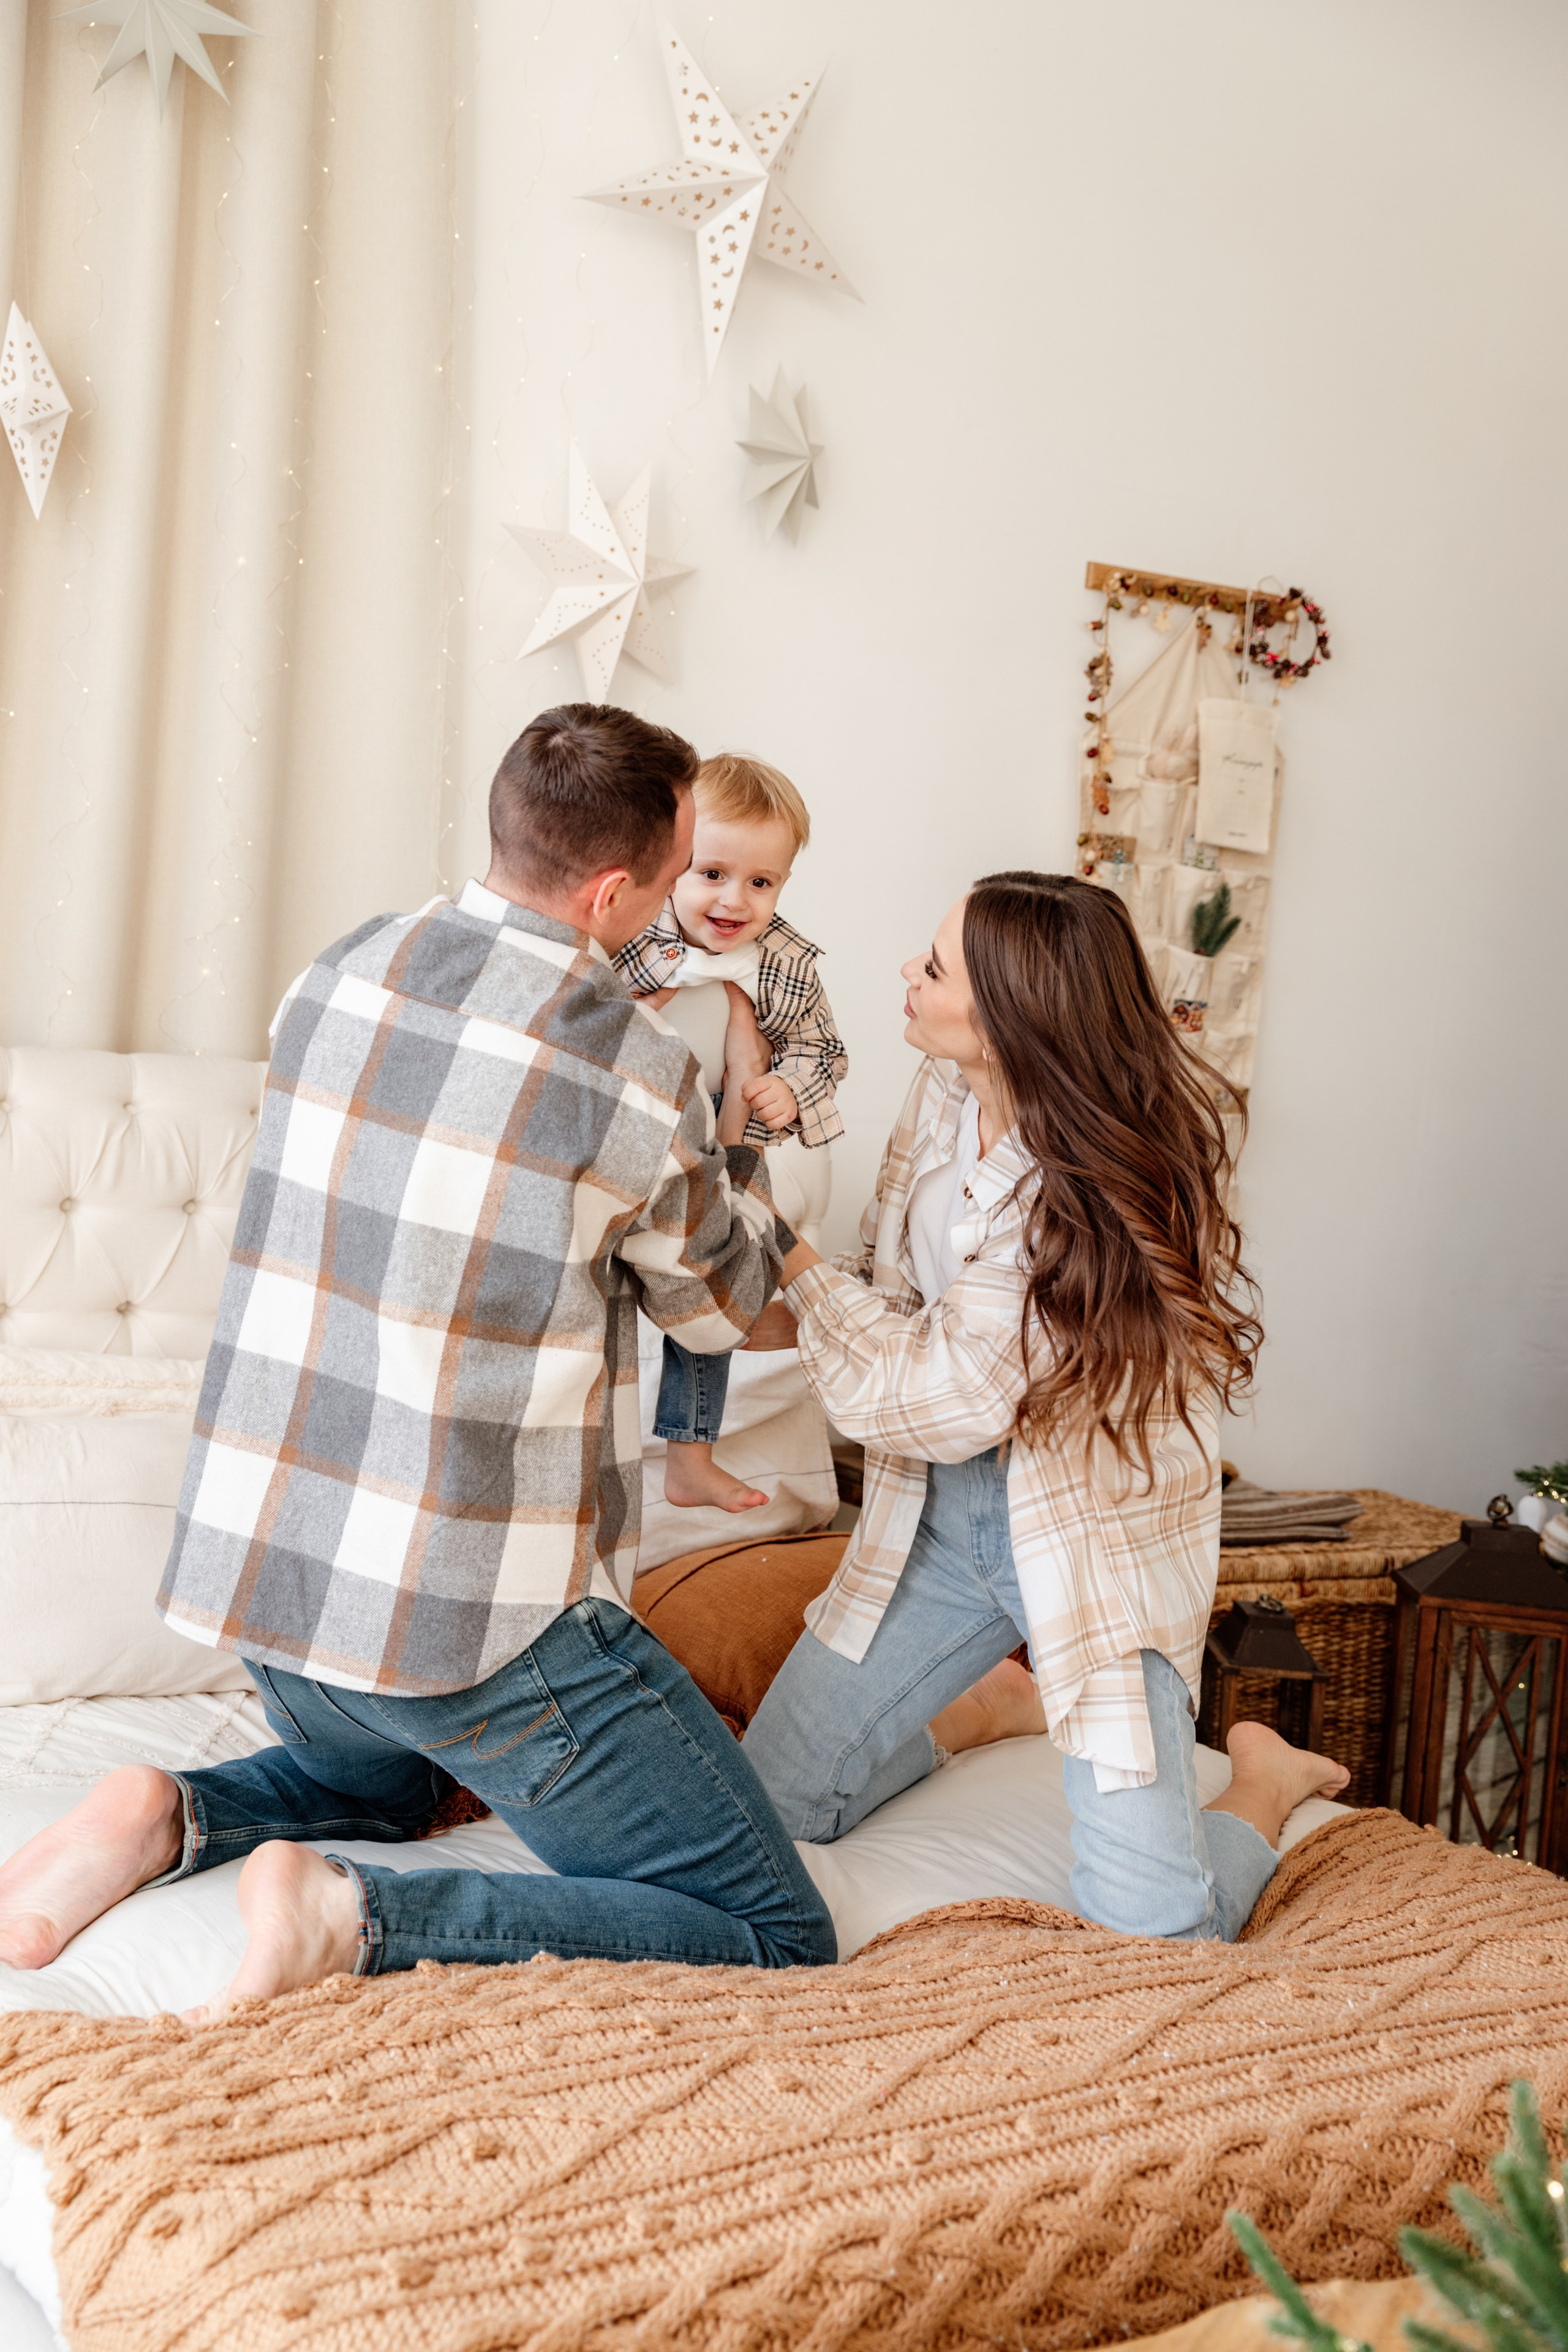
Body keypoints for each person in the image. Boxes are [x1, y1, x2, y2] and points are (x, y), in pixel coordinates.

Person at [0, 703, 835, 2007]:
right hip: (468, 1633)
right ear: (614, 889)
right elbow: (720, 1313)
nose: (681, 906)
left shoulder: (341, 966)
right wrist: (747, 1169)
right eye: (674, 882)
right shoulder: (626, 1061)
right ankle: (356, 1915)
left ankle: (162, 1816)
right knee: (775, 1927)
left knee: (384, 1775)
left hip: (274, 1600)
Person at [738, 872, 1349, 1942]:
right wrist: (808, 1295)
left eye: (933, 968)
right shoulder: (947, 1095)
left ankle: (1265, 1776)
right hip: (942, 1515)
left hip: (1084, 1541)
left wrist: (788, 1262)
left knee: (1160, 1930)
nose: (906, 975)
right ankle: (1001, 1703)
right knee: (770, 1812)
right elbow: (897, 1291)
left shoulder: (1078, 1198)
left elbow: (939, 1395)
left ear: (1009, 1019)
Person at [615, 753, 847, 1515]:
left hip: (718, 1141)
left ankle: (691, 1450)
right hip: (626, 1129)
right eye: (711, 873)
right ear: (672, 863)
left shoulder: (783, 961)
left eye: (761, 882)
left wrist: (785, 1085)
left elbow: (823, 1051)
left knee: (709, 1288)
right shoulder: (630, 932)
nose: (734, 900)